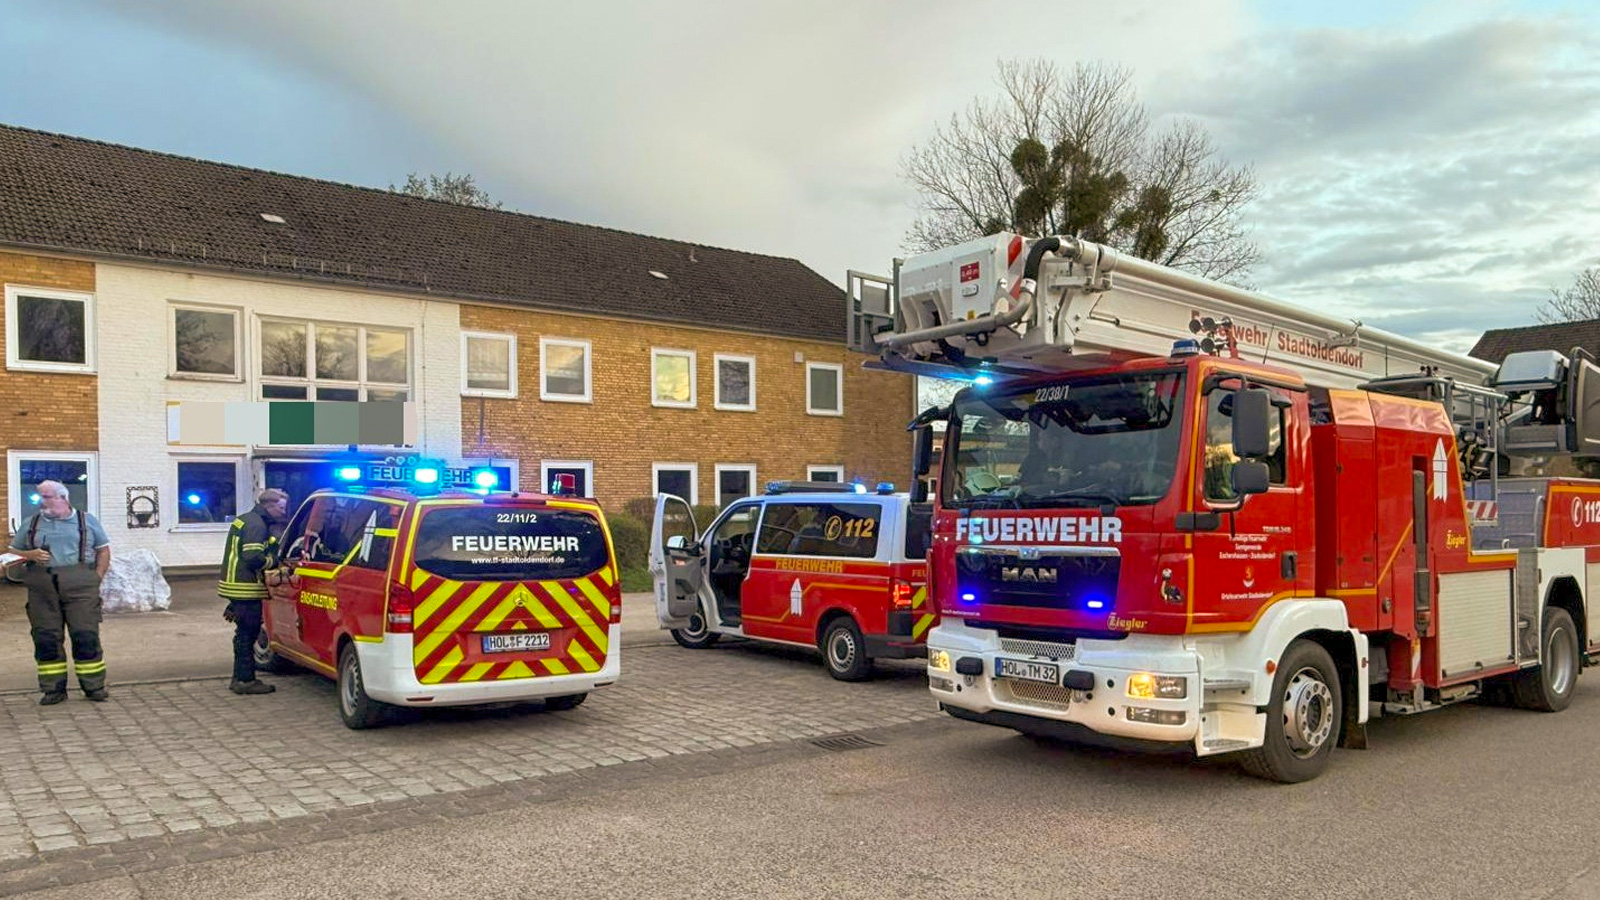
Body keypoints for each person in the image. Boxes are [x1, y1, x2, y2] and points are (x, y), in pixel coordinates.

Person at [8, 480, 112, 705]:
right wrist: (30, 555)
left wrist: (96, 577)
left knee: (85, 634)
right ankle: (53, 690)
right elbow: (13, 550)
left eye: (46, 497)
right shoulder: (32, 522)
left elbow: (103, 550)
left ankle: (93, 687)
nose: (41, 502)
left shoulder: (87, 521)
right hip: (42, 587)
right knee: (46, 637)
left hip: (81, 585)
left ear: (63, 498)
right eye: (40, 497)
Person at [218, 488, 289, 695]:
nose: (283, 513)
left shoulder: (246, 519)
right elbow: (252, 557)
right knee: (247, 635)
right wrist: (274, 562)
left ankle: (239, 678)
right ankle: (245, 680)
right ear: (270, 505)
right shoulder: (257, 525)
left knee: (243, 634)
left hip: (235, 585)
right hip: (245, 586)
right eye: (281, 508)